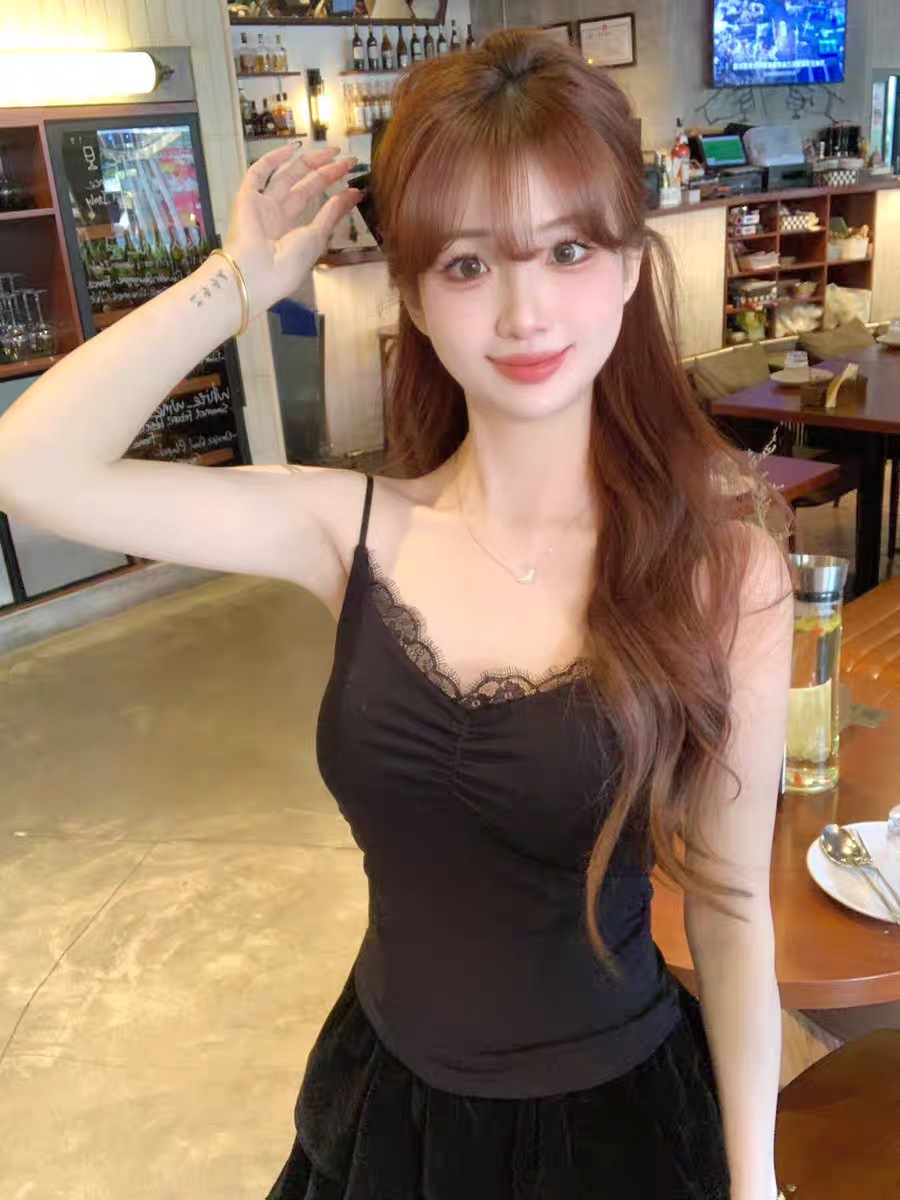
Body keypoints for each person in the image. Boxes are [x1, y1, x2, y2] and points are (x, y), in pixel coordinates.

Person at [0, 29, 793, 1200]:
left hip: (614, 1130)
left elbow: (730, 908)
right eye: (468, 264)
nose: (524, 312)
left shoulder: (721, 572)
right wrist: (238, 283)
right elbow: (30, 468)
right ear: (413, 295)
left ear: (631, 266)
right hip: (384, 1111)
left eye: (568, 249)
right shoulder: (352, 529)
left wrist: (755, 1181)